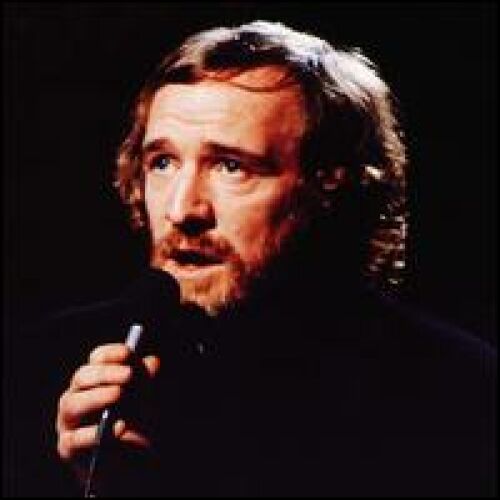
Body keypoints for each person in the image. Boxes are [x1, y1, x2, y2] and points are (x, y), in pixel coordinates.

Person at [44, 20, 495, 496]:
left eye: (231, 166)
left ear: (330, 187)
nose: (182, 210)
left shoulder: (462, 394)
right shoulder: (47, 365)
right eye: (162, 162)